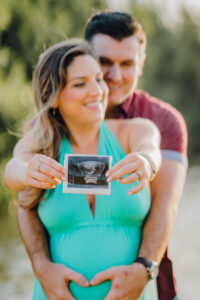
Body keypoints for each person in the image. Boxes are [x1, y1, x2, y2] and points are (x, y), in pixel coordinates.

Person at [7, 11, 188, 300]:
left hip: (147, 281)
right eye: (104, 65)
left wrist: (146, 161)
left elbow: (165, 200)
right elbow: (18, 181)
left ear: (141, 64)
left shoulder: (148, 125)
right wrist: (41, 267)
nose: (107, 82)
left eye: (126, 63)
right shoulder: (43, 135)